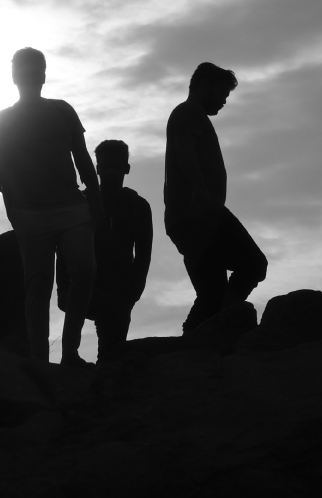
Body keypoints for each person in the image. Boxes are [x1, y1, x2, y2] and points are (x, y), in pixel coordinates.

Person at [0, 48, 99, 366]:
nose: (32, 75)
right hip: (28, 213)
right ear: (15, 76)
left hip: (71, 206)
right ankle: (39, 360)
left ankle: (70, 351)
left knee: (85, 270)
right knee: (38, 284)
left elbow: (82, 158)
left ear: (44, 75)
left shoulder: (62, 111)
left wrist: (96, 198)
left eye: (37, 69)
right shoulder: (1, 122)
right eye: (26, 69)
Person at [163, 62, 266, 332]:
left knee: (211, 295)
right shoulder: (189, 113)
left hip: (188, 218)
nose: (223, 102)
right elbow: (184, 150)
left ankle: (195, 341)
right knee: (254, 264)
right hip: (200, 215)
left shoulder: (191, 115)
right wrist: (199, 188)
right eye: (222, 93)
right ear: (204, 85)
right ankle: (224, 324)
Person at [57, 139, 153, 359]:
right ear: (97, 168)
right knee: (110, 350)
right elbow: (63, 247)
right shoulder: (82, 202)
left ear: (126, 168)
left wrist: (133, 292)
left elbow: (143, 255)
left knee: (113, 352)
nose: (109, 172)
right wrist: (62, 287)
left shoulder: (137, 206)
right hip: (83, 286)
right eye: (105, 167)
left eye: (115, 167)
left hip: (120, 290)